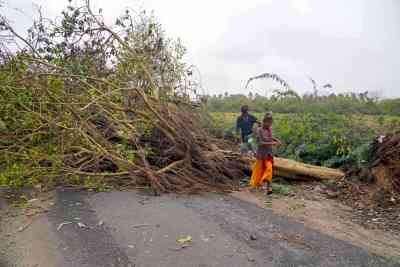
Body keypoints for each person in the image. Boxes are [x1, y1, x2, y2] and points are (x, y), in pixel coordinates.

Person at [249, 112, 281, 194]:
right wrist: (272, 143)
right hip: (261, 154)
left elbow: (270, 137)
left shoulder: (269, 129)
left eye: (271, 124)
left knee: (269, 169)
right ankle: (254, 186)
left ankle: (268, 188)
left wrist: (276, 140)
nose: (270, 125)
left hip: (269, 153)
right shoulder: (259, 130)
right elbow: (261, 143)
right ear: (264, 122)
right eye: (269, 123)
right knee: (258, 171)